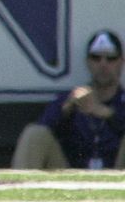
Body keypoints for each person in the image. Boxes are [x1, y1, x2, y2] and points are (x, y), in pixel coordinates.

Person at [12, 29, 125, 169]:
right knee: (34, 133)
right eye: (96, 58)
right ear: (88, 62)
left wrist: (107, 113)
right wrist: (66, 108)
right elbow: (43, 128)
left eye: (111, 58)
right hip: (73, 178)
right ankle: (22, 188)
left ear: (121, 62)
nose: (103, 64)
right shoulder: (73, 97)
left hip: (118, 180)